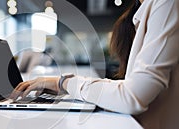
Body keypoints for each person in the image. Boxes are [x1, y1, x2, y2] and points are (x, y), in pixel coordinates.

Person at [10, 0, 179, 128]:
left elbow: (131, 97)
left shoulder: (166, 4)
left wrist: (64, 83)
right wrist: (61, 83)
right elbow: (132, 87)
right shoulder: (149, 9)